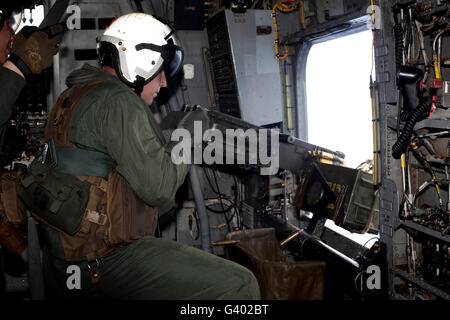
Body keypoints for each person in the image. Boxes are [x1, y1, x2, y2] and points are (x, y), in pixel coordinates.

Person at [29, 12, 260, 300]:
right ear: (140, 61)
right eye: (160, 71)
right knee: (239, 283)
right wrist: (189, 132)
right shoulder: (118, 101)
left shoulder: (73, 96)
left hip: (68, 257)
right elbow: (160, 189)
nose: (163, 83)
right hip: (105, 260)